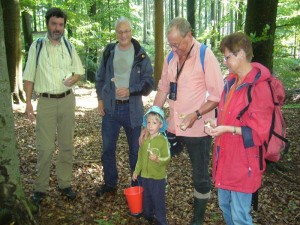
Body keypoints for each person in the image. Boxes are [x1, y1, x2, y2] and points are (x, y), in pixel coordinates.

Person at [140, 17, 224, 224]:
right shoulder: (171, 58)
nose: (174, 48)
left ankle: (197, 219)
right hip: (173, 127)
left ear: (189, 35)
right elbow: (163, 88)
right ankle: (152, 208)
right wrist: (148, 122)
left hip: (198, 130)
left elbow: (216, 96)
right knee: (153, 162)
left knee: (200, 176)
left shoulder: (205, 55)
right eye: (171, 44)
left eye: (177, 44)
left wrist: (196, 114)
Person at [205, 32, 274, 224]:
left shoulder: (259, 88)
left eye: (228, 57)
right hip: (226, 158)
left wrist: (228, 129)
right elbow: (228, 116)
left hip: (245, 163)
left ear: (242, 54)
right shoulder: (231, 83)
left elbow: (260, 133)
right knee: (225, 206)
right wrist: (216, 124)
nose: (225, 62)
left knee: (240, 216)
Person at [23, 8, 84, 204]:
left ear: (64, 26)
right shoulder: (37, 46)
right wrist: (28, 104)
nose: (57, 28)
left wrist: (73, 79)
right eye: (54, 24)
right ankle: (40, 188)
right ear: (47, 24)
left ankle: (64, 183)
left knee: (67, 145)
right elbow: (29, 76)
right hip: (46, 102)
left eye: (60, 25)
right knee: (45, 148)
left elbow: (79, 71)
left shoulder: (68, 45)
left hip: (67, 100)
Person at [95, 17, 154, 197]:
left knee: (135, 150)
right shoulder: (109, 52)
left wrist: (130, 90)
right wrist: (100, 100)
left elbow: (149, 83)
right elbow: (100, 78)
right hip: (111, 109)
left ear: (131, 31)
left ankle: (136, 185)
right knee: (107, 149)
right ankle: (110, 183)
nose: (123, 35)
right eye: (120, 31)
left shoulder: (141, 55)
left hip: (132, 109)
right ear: (116, 33)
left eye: (126, 31)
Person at [132, 106, 170, 225]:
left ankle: (161, 221)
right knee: (147, 198)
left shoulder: (163, 140)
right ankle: (148, 216)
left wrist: (158, 159)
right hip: (145, 177)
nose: (150, 125)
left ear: (160, 124)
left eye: (154, 122)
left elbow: (167, 158)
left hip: (158, 178)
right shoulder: (145, 139)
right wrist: (136, 171)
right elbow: (140, 157)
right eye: (148, 122)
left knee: (158, 200)